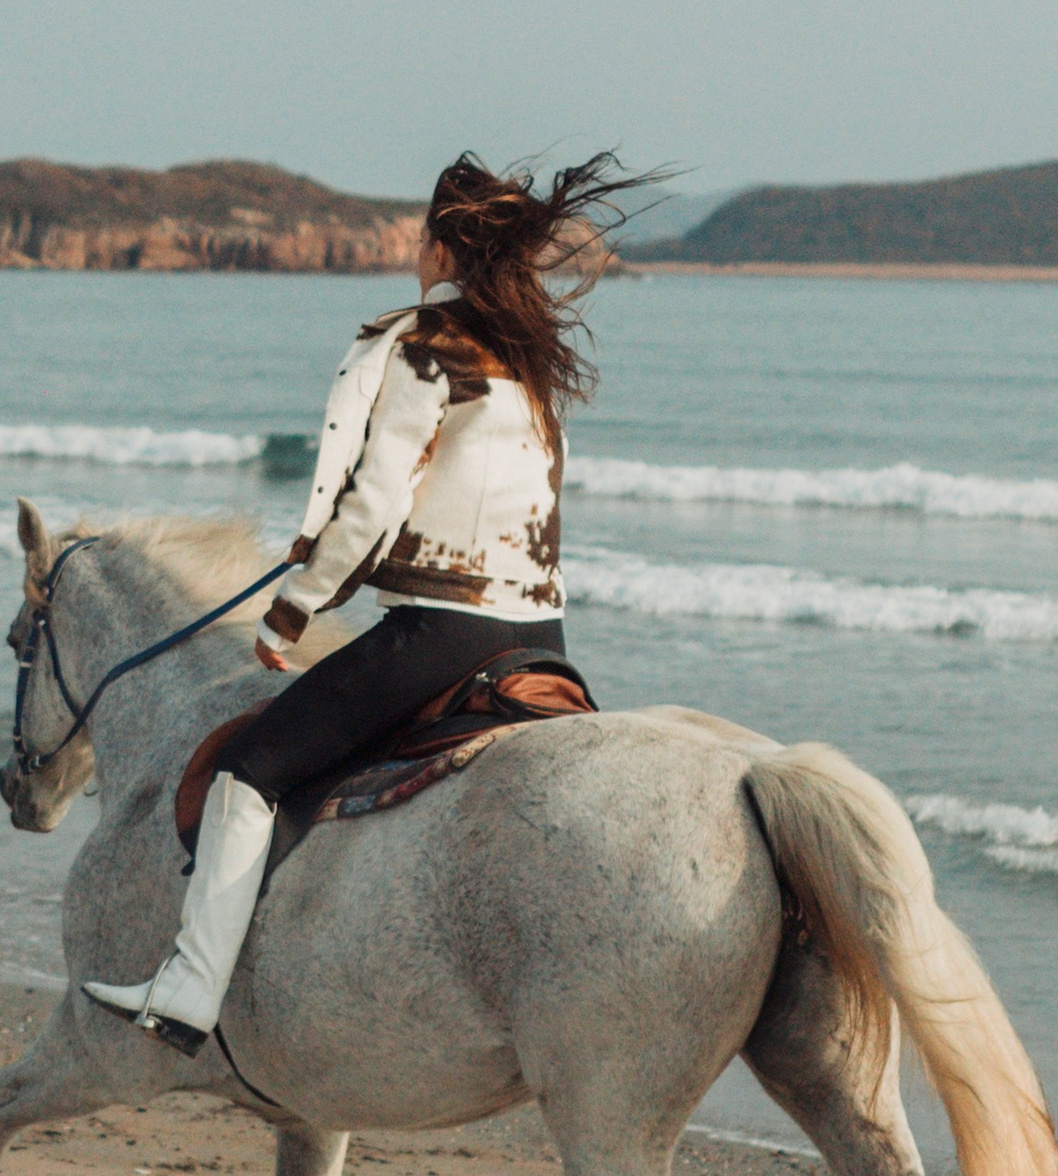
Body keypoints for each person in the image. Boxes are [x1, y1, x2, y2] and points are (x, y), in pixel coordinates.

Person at [85, 149, 645, 1053]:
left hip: (444, 634)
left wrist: (293, 608)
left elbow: (375, 502)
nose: (414, 250)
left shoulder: (429, 348)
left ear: (442, 248)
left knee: (250, 767)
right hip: (543, 635)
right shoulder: (529, 362)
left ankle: (189, 986)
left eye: (423, 236)